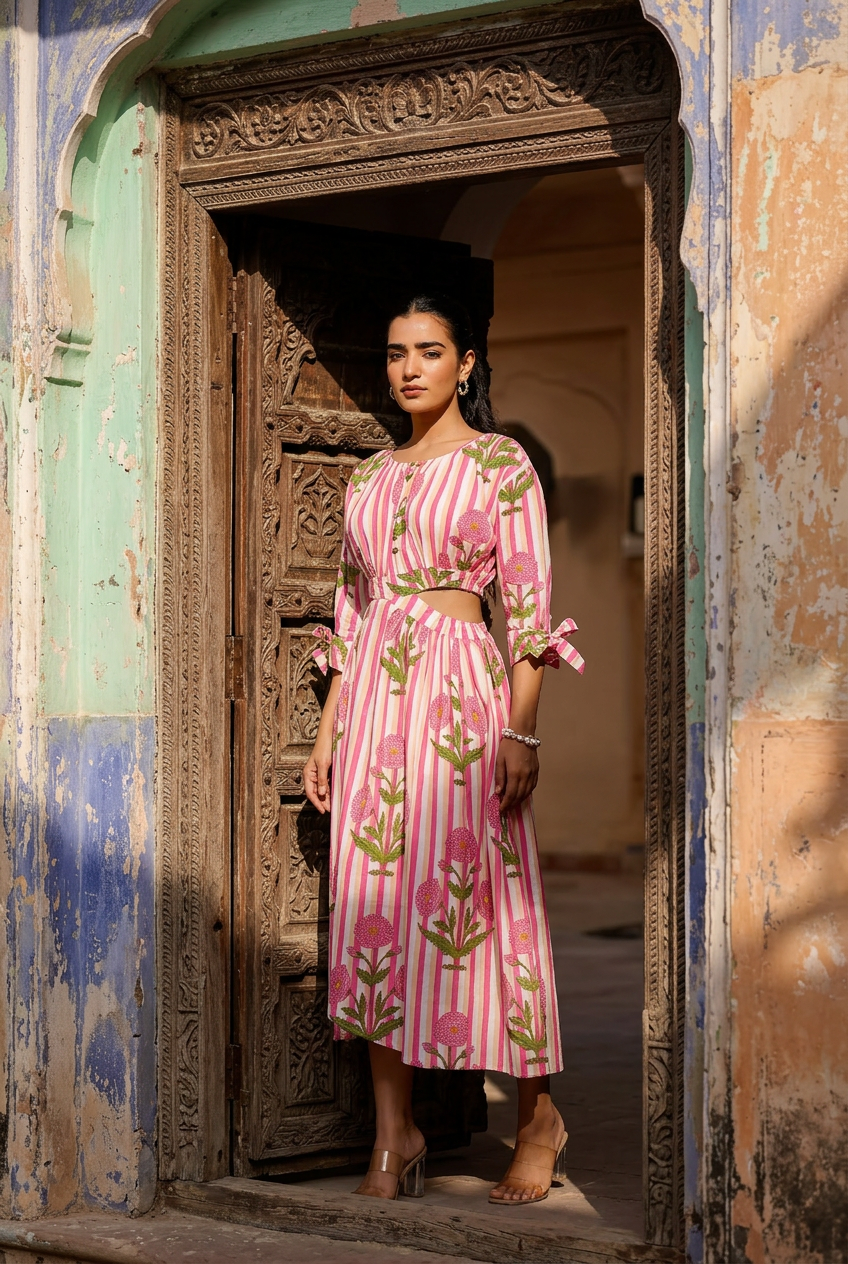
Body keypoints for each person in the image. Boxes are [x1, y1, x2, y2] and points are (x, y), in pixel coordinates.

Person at [304, 294, 584, 1206]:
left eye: (429, 351)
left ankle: (537, 1116)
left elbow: (532, 615)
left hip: (465, 703)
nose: (408, 368)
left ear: (467, 363)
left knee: (491, 906)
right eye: (395, 353)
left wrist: (520, 727)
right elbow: (350, 614)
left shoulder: (502, 466)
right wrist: (326, 731)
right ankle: (396, 1133)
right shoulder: (369, 479)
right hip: (377, 709)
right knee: (373, 907)